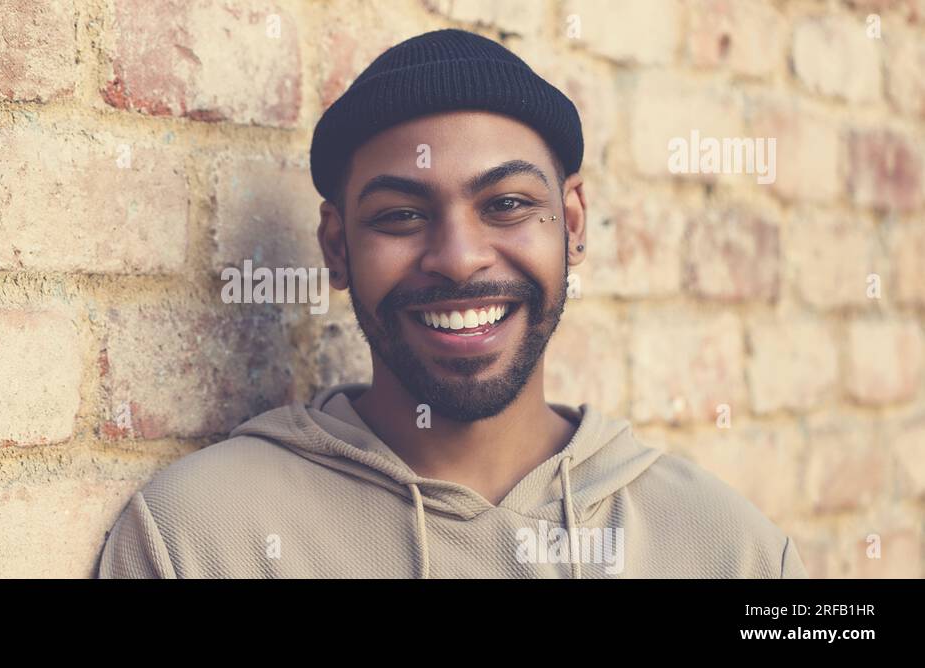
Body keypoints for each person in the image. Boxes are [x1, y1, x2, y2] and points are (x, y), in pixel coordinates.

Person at [97, 28, 807, 578]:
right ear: (337, 248)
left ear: (573, 225)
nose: (460, 258)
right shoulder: (195, 539)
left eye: (506, 204)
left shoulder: (730, 551)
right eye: (401, 216)